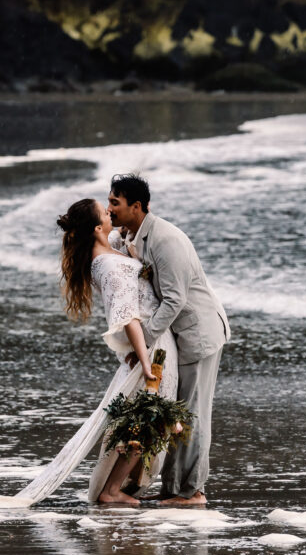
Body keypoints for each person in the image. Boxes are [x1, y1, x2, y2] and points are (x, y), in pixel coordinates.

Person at [107, 174, 230, 507]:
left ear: (137, 206)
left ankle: (191, 492)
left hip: (198, 332)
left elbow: (174, 299)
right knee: (176, 413)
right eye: (108, 202)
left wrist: (142, 343)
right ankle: (174, 488)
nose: (109, 209)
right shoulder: (132, 236)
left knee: (192, 414)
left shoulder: (166, 240)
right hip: (177, 335)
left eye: (115, 203)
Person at [57, 197, 179, 506]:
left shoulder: (105, 249)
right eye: (105, 211)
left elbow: (128, 230)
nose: (111, 212)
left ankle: (122, 485)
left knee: (147, 416)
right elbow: (128, 318)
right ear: (98, 227)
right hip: (151, 344)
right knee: (150, 417)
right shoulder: (109, 265)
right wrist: (146, 360)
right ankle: (111, 490)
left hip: (154, 338)